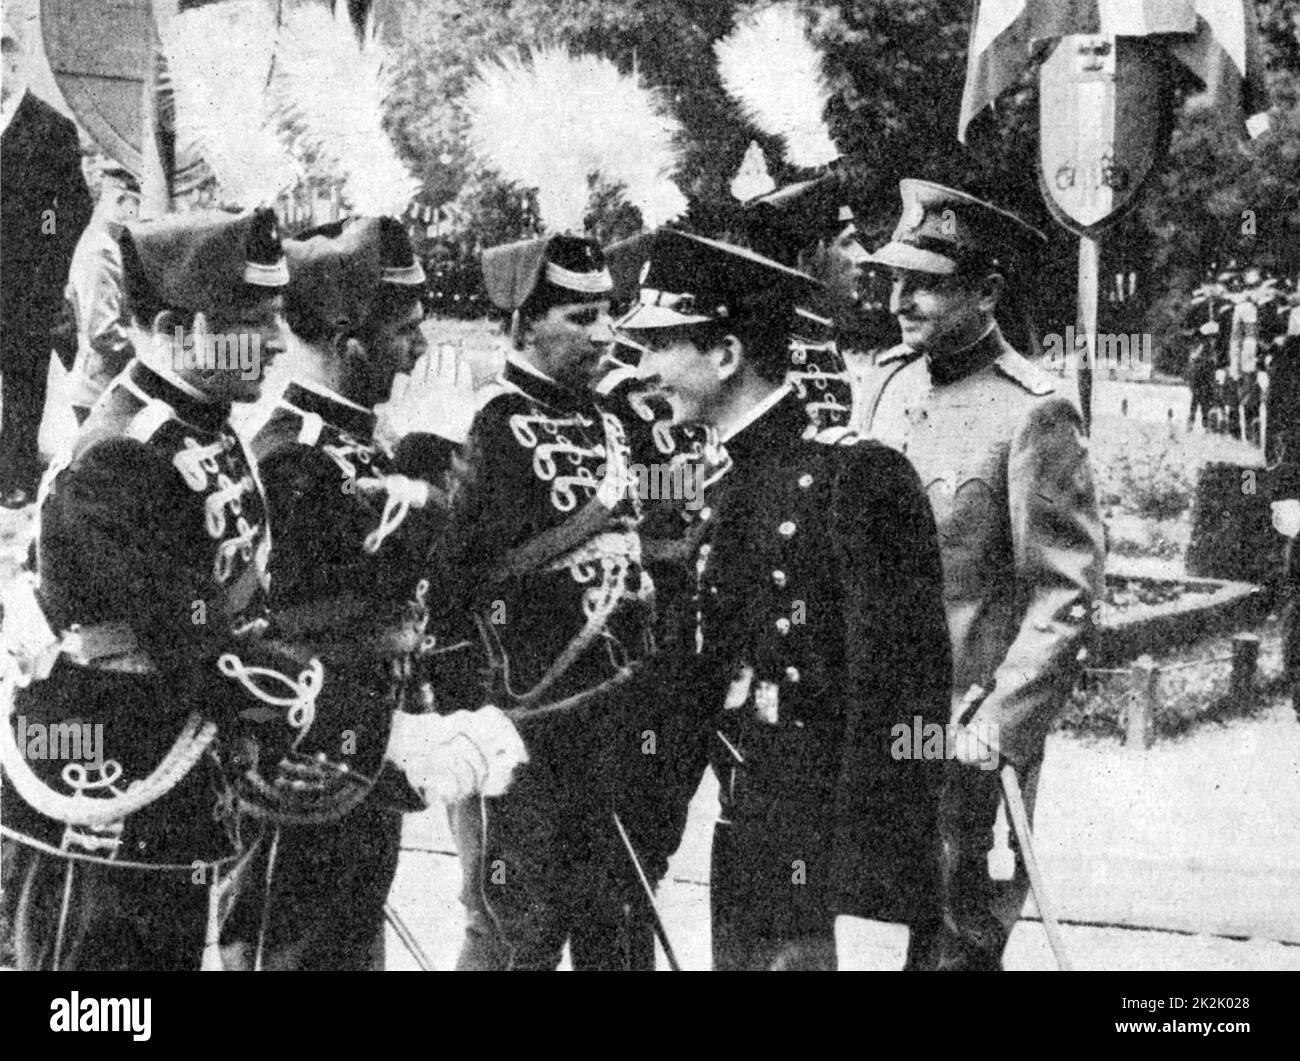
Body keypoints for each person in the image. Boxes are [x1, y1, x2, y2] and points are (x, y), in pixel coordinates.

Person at [0, 209, 515, 970]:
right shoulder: (121, 457)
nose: (277, 341)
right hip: (105, 798)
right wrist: (387, 736)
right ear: (179, 326)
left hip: (175, 789)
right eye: (254, 320)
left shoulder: (200, 426)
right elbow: (204, 650)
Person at [619, 229, 952, 971]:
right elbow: (705, 681)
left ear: (727, 354)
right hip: (749, 846)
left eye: (659, 346)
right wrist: (647, 822)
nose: (642, 371)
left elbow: (910, 705)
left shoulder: (858, 480)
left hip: (832, 871)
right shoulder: (722, 485)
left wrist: (877, 903)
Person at [221, 215, 523, 970]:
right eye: (407, 332)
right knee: (291, 952)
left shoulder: (351, 444)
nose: (423, 350)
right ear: (351, 345)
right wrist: (424, 464)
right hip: (306, 759)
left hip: (363, 749)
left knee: (348, 949)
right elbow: (312, 624)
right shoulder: (294, 455)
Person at [859, 179, 1106, 970]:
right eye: (896, 280)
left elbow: (1065, 591)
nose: (901, 299)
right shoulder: (888, 384)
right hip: (874, 716)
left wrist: (1000, 724)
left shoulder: (1033, 411)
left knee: (954, 940)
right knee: (865, 919)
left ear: (988, 291)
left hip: (963, 726)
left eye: (926, 283)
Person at [432, 233, 659, 970]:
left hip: (613, 718)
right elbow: (448, 584)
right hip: (523, 722)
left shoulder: (614, 418)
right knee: (514, 921)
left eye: (607, 314)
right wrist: (472, 718)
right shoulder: (487, 424)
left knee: (618, 917)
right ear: (525, 324)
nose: (605, 333)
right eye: (581, 317)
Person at [0, 18, 92, 507]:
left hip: (27, 277)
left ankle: (14, 473)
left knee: (21, 378)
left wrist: (45, 236)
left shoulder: (51, 128)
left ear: (13, 62)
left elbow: (67, 205)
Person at [65, 166, 141, 426]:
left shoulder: (102, 242)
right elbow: (103, 332)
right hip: (99, 390)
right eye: (136, 204)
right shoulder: (101, 249)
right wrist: (146, 348)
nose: (138, 214)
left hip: (99, 386)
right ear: (120, 200)